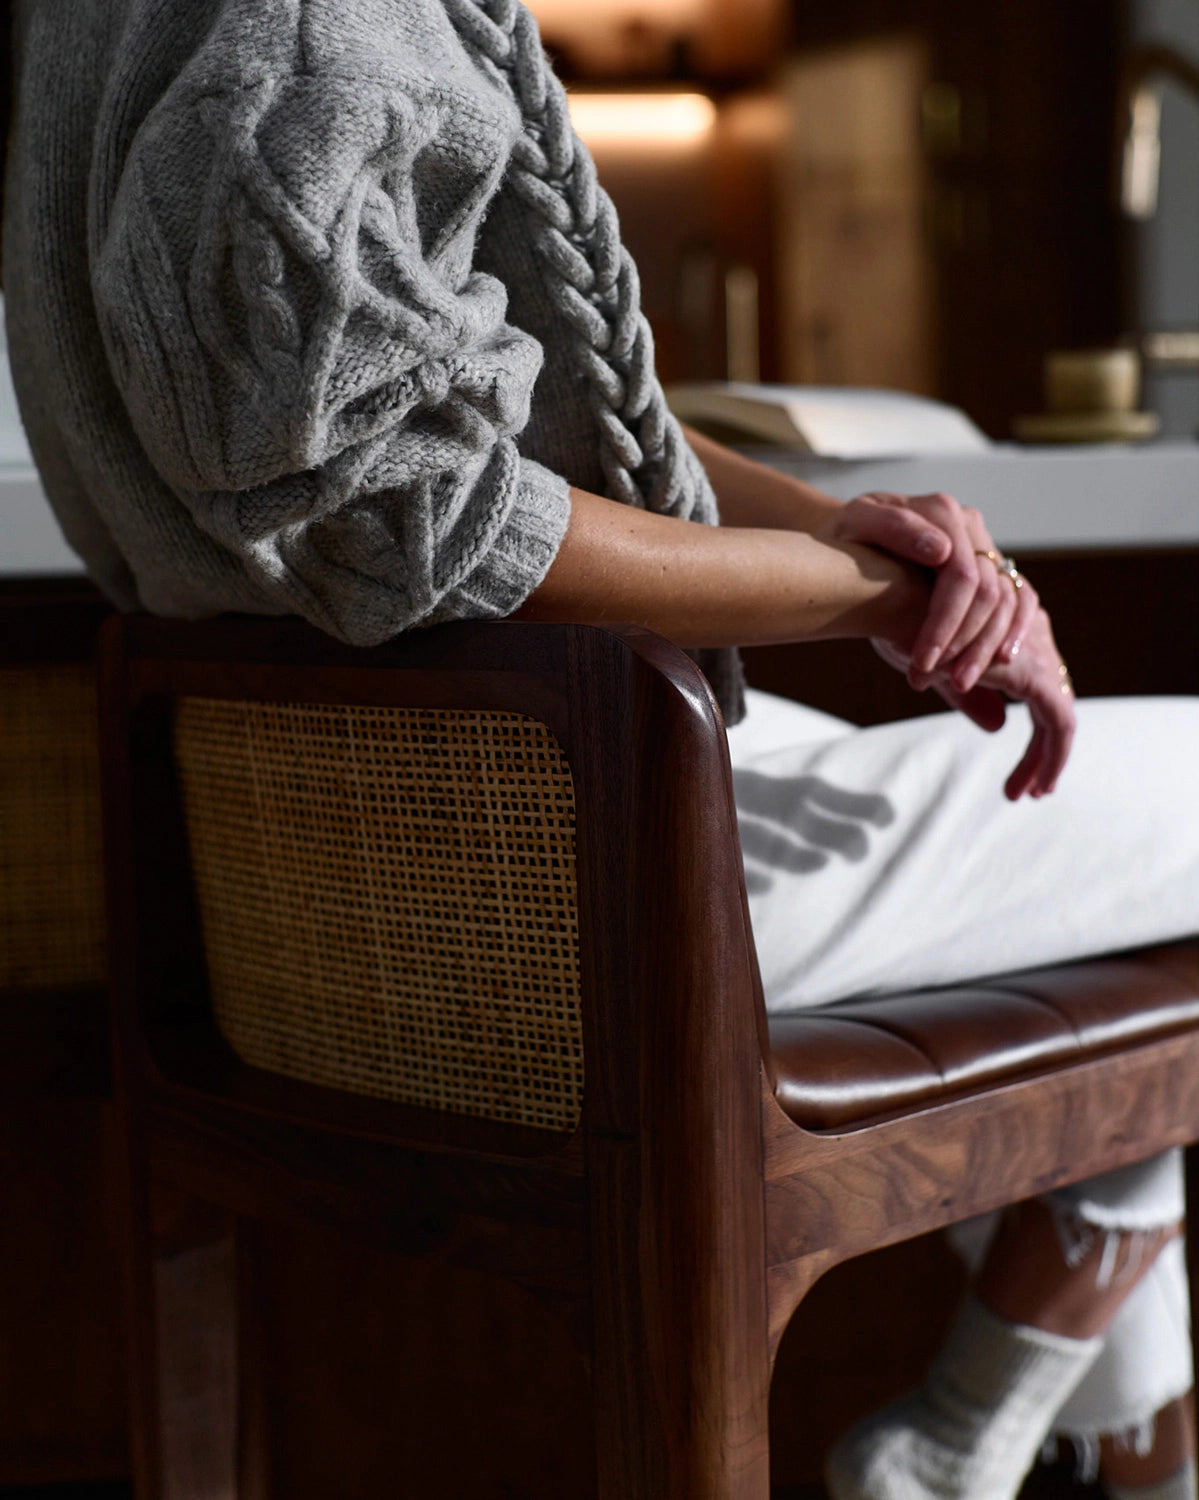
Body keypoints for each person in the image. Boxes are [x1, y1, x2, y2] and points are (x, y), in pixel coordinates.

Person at [3, 0, 1196, 1494]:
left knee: (1118, 928)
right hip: (576, 889)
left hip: (348, 875)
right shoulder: (325, 27)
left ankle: (995, 1445)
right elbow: (413, 505)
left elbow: (444, 449)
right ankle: (966, 1443)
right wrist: (863, 595)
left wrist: (836, 526)